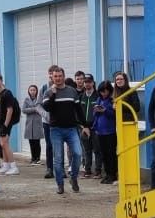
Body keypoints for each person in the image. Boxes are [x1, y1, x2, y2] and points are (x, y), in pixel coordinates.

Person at [40, 65, 86, 195]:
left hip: (71, 129)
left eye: (60, 76)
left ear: (64, 77)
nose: (58, 78)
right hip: (56, 130)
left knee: (78, 153)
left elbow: (79, 110)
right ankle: (60, 185)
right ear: (52, 77)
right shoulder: (48, 92)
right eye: (55, 76)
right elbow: (47, 108)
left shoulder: (72, 91)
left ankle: (73, 178)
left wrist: (85, 125)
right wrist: (53, 94)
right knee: (58, 158)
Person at [0, 74, 20, 178]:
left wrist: (5, 125)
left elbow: (10, 110)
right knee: (3, 143)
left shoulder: (7, 93)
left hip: (6, 123)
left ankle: (13, 166)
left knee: (4, 143)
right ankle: (6, 165)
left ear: (1, 81)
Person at [92, 81, 118, 183]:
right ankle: (107, 174)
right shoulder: (99, 99)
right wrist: (96, 110)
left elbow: (115, 115)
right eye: (101, 91)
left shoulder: (112, 100)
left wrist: (105, 111)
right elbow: (95, 115)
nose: (103, 93)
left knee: (111, 153)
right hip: (100, 131)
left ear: (109, 91)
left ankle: (113, 174)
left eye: (105, 91)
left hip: (110, 131)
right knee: (103, 154)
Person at [78, 73, 99, 178]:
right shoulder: (81, 96)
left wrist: (95, 125)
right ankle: (87, 170)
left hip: (95, 127)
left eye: (89, 82)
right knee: (86, 150)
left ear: (93, 83)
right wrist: (82, 126)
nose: (87, 84)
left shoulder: (98, 96)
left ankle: (98, 171)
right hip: (84, 127)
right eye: (85, 82)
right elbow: (77, 112)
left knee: (97, 149)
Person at [21, 84, 46, 165]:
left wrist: (36, 109)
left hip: (37, 123)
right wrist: (34, 109)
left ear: (36, 91)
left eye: (34, 90)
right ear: (29, 91)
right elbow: (24, 110)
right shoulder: (26, 99)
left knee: (37, 142)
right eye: (31, 90)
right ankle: (33, 158)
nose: (32, 91)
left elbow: (41, 109)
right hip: (29, 123)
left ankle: (38, 158)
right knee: (31, 142)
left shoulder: (39, 99)